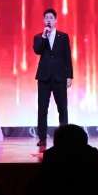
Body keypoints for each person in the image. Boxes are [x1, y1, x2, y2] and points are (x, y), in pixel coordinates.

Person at [33, 8, 73, 147]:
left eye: (51, 17)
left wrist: (69, 76)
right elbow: (37, 50)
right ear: (43, 20)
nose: (48, 20)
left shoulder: (63, 37)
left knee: (62, 108)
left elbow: (67, 57)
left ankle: (64, 137)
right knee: (42, 108)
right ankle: (42, 138)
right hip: (44, 77)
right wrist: (44, 37)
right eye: (46, 18)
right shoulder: (39, 37)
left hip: (59, 77)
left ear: (55, 20)